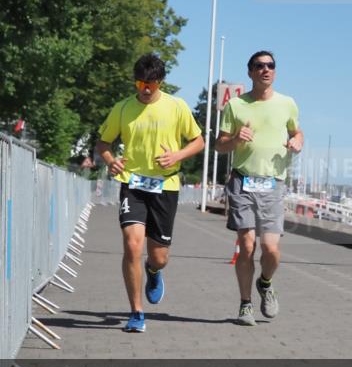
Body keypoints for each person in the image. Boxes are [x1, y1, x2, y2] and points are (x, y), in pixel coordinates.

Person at [94, 54, 204, 333]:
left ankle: (153, 272)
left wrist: (178, 155)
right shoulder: (122, 108)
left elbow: (199, 141)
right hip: (133, 185)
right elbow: (103, 143)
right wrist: (110, 161)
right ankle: (136, 312)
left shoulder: (176, 107)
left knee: (159, 257)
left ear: (160, 83)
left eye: (151, 84)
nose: (145, 89)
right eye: (141, 83)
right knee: (132, 245)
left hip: (165, 186)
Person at [216, 50, 303, 326]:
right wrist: (236, 140)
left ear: (275, 71)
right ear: (250, 72)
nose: (265, 70)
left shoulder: (287, 103)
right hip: (243, 181)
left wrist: (298, 141)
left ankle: (265, 283)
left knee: (271, 249)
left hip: (273, 184)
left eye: (270, 66)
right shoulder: (236, 106)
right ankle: (245, 305)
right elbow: (220, 145)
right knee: (247, 244)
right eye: (259, 66)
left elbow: (296, 132)